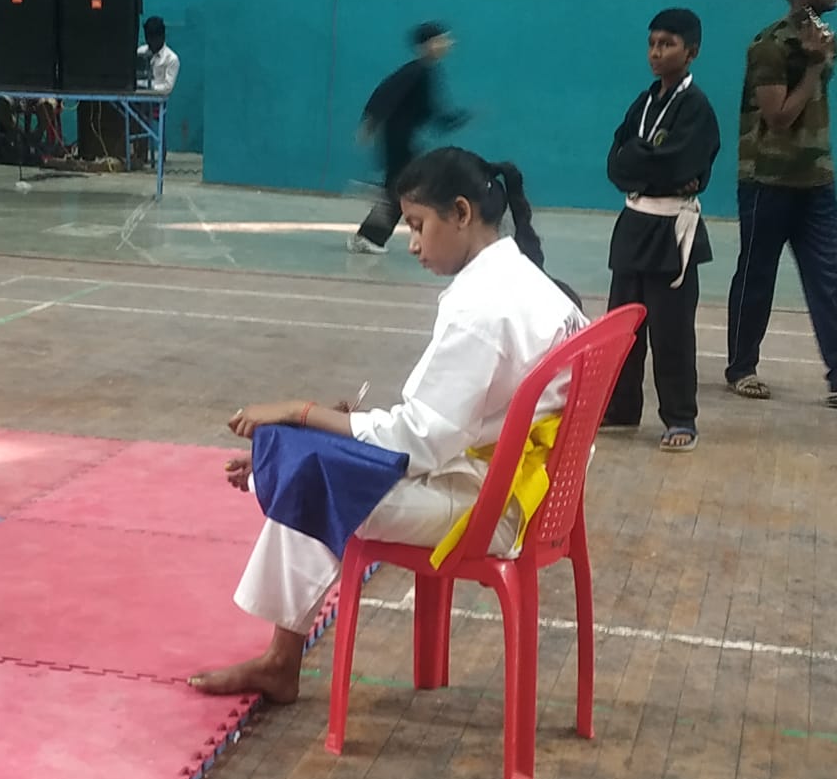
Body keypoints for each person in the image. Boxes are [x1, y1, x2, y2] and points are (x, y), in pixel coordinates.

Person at [190, 147, 588, 703]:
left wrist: (302, 413)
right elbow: (444, 427)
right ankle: (274, 473)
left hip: (488, 508)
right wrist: (309, 439)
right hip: (518, 485)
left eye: (419, 225)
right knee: (309, 459)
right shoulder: (527, 281)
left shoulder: (482, 309)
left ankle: (281, 660)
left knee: (312, 478)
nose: (413, 244)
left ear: (462, 213)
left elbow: (417, 442)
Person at [602, 8, 720, 451]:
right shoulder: (644, 101)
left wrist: (641, 161)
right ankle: (621, 407)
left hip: (672, 230)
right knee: (622, 327)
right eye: (652, 44)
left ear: (691, 52)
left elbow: (682, 164)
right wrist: (644, 162)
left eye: (667, 44)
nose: (656, 53)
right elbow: (616, 162)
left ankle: (680, 417)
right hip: (634, 223)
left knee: (671, 331)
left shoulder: (697, 108)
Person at [726, 0, 837, 409]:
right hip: (767, 181)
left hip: (816, 181)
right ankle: (741, 368)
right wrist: (813, 66)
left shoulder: (823, 40)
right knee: (757, 274)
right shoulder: (769, 46)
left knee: (829, 276)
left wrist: (820, 57)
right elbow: (779, 117)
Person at [347, 23, 468, 255]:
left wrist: (453, 119)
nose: (448, 43)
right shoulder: (415, 71)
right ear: (428, 45)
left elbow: (430, 109)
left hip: (404, 138)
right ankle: (370, 233)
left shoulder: (428, 71)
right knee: (405, 187)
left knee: (401, 188)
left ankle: (370, 233)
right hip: (397, 138)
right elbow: (386, 93)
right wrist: (371, 121)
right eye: (442, 39)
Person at [137, 16, 180, 95]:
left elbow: (167, 88)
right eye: (147, 38)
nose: (149, 41)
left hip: (156, 99)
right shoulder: (140, 52)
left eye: (153, 38)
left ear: (162, 36)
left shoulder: (171, 59)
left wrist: (147, 87)